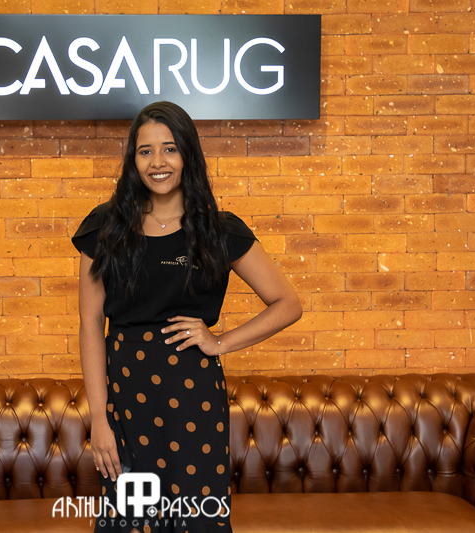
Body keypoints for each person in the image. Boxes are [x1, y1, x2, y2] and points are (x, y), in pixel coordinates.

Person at [71, 101, 302, 533]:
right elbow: (90, 327)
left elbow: (288, 303)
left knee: (197, 522)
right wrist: (99, 419)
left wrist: (221, 342)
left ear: (188, 155)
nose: (157, 162)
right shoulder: (105, 227)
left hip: (193, 398)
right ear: (132, 159)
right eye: (145, 151)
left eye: (170, 149)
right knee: (131, 521)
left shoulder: (218, 229)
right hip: (124, 399)